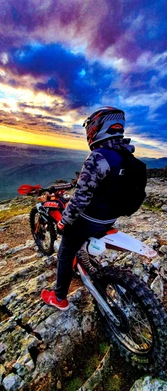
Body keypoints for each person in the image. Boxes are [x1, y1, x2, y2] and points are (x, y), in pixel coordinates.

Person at [41, 106, 135, 310]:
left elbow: (80, 199)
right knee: (77, 237)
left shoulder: (99, 156)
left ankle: (59, 298)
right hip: (110, 217)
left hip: (91, 219)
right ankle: (84, 258)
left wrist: (63, 221)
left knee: (65, 252)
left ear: (97, 128)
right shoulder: (127, 154)